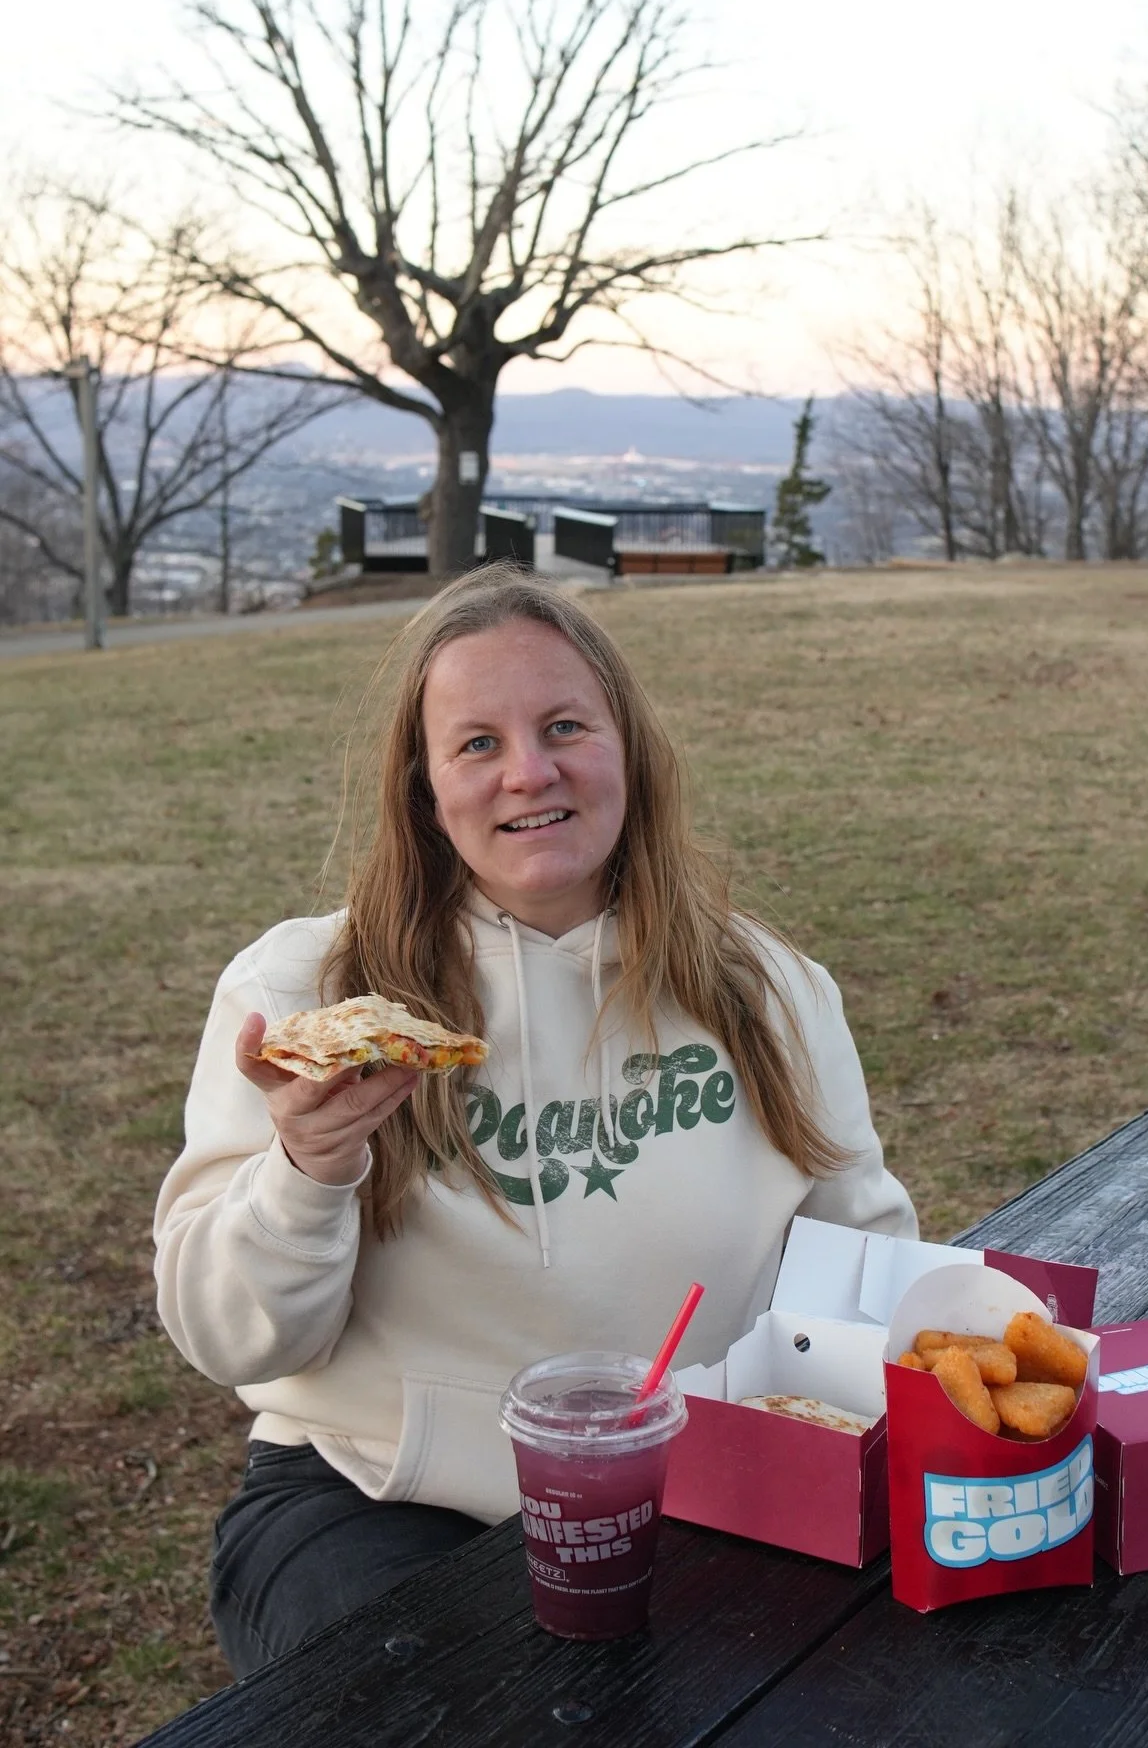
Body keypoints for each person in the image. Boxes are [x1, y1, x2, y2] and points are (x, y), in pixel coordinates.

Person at [154, 565, 916, 1676]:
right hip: (381, 1497)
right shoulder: (307, 992)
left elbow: (865, 1264)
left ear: (629, 752)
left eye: (565, 725)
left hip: (704, 1489)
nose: (529, 771)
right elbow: (233, 1342)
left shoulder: (770, 990)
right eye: (476, 744)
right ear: (423, 787)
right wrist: (308, 1166)